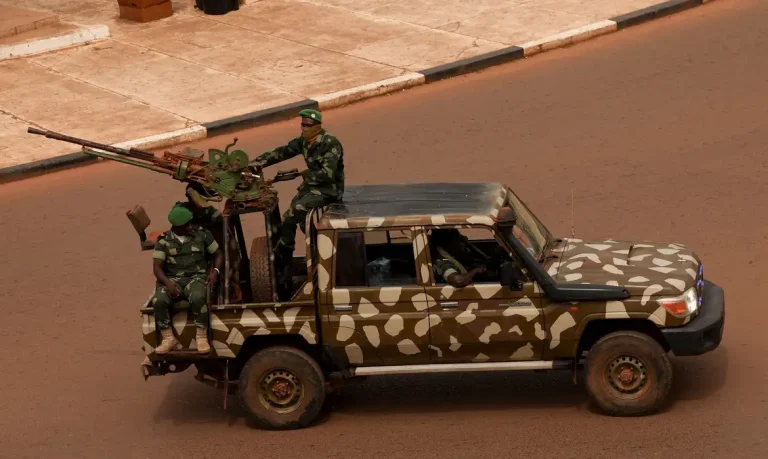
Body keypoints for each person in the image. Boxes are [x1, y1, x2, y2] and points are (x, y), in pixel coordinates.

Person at [250, 109, 344, 279]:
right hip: (311, 187)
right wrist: (257, 162)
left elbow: (327, 174)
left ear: (318, 126)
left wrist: (303, 174)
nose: (305, 128)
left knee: (296, 209)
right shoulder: (303, 142)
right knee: (291, 218)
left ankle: (293, 257)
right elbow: (282, 152)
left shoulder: (330, 143)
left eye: (308, 125)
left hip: (329, 189)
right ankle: (289, 256)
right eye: (303, 124)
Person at [151, 206, 223, 355]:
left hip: (196, 278)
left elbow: (218, 254)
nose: (191, 226)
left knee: (198, 297)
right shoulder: (163, 241)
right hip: (173, 280)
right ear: (178, 227)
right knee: (158, 300)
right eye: (187, 225)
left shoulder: (202, 235)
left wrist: (215, 272)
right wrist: (168, 283)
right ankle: (168, 338)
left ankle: (201, 337)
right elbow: (157, 268)